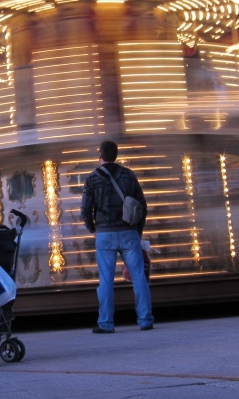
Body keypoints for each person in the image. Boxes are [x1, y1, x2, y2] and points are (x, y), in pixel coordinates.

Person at [81, 140, 154, 334]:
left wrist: (93, 229)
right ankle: (145, 320)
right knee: (139, 277)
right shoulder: (129, 176)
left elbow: (86, 209)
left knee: (106, 280)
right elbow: (142, 205)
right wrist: (138, 231)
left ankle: (106, 323)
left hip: (105, 233)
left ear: (100, 156)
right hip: (129, 232)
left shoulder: (92, 178)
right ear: (116, 155)